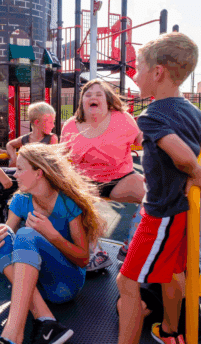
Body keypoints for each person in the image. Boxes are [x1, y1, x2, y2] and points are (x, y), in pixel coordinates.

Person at [116, 32, 201, 344]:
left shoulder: (150, 116)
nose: (135, 76)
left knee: (126, 282)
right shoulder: (194, 112)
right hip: (180, 212)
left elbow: (180, 153)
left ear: (158, 72)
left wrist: (195, 172)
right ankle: (170, 331)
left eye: (137, 69)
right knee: (171, 274)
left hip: (161, 214)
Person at [0, 143, 105, 344]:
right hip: (34, 287)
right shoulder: (20, 200)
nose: (15, 175)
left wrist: (52, 235)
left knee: (26, 234)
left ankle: (12, 335)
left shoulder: (67, 203)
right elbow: (5, 241)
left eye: (20, 169)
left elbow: (83, 259)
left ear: (39, 173)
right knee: (2, 234)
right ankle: (46, 322)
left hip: (64, 286)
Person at [117, 141, 201, 340]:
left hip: (185, 273)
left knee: (192, 330)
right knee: (126, 305)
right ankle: (160, 314)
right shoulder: (161, 195)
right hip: (157, 271)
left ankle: (169, 321)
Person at [61, 79, 145, 272]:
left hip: (119, 179)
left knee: (154, 197)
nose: (93, 97)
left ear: (107, 100)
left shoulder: (122, 119)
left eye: (98, 94)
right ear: (82, 102)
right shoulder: (71, 125)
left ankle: (131, 245)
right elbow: (62, 155)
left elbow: (142, 139)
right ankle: (95, 252)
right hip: (85, 183)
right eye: (88, 95)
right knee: (67, 200)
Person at [6, 101, 58, 167]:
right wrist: (14, 158)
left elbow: (52, 160)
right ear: (37, 122)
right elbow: (10, 144)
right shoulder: (26, 138)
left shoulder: (51, 138)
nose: (53, 125)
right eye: (50, 122)